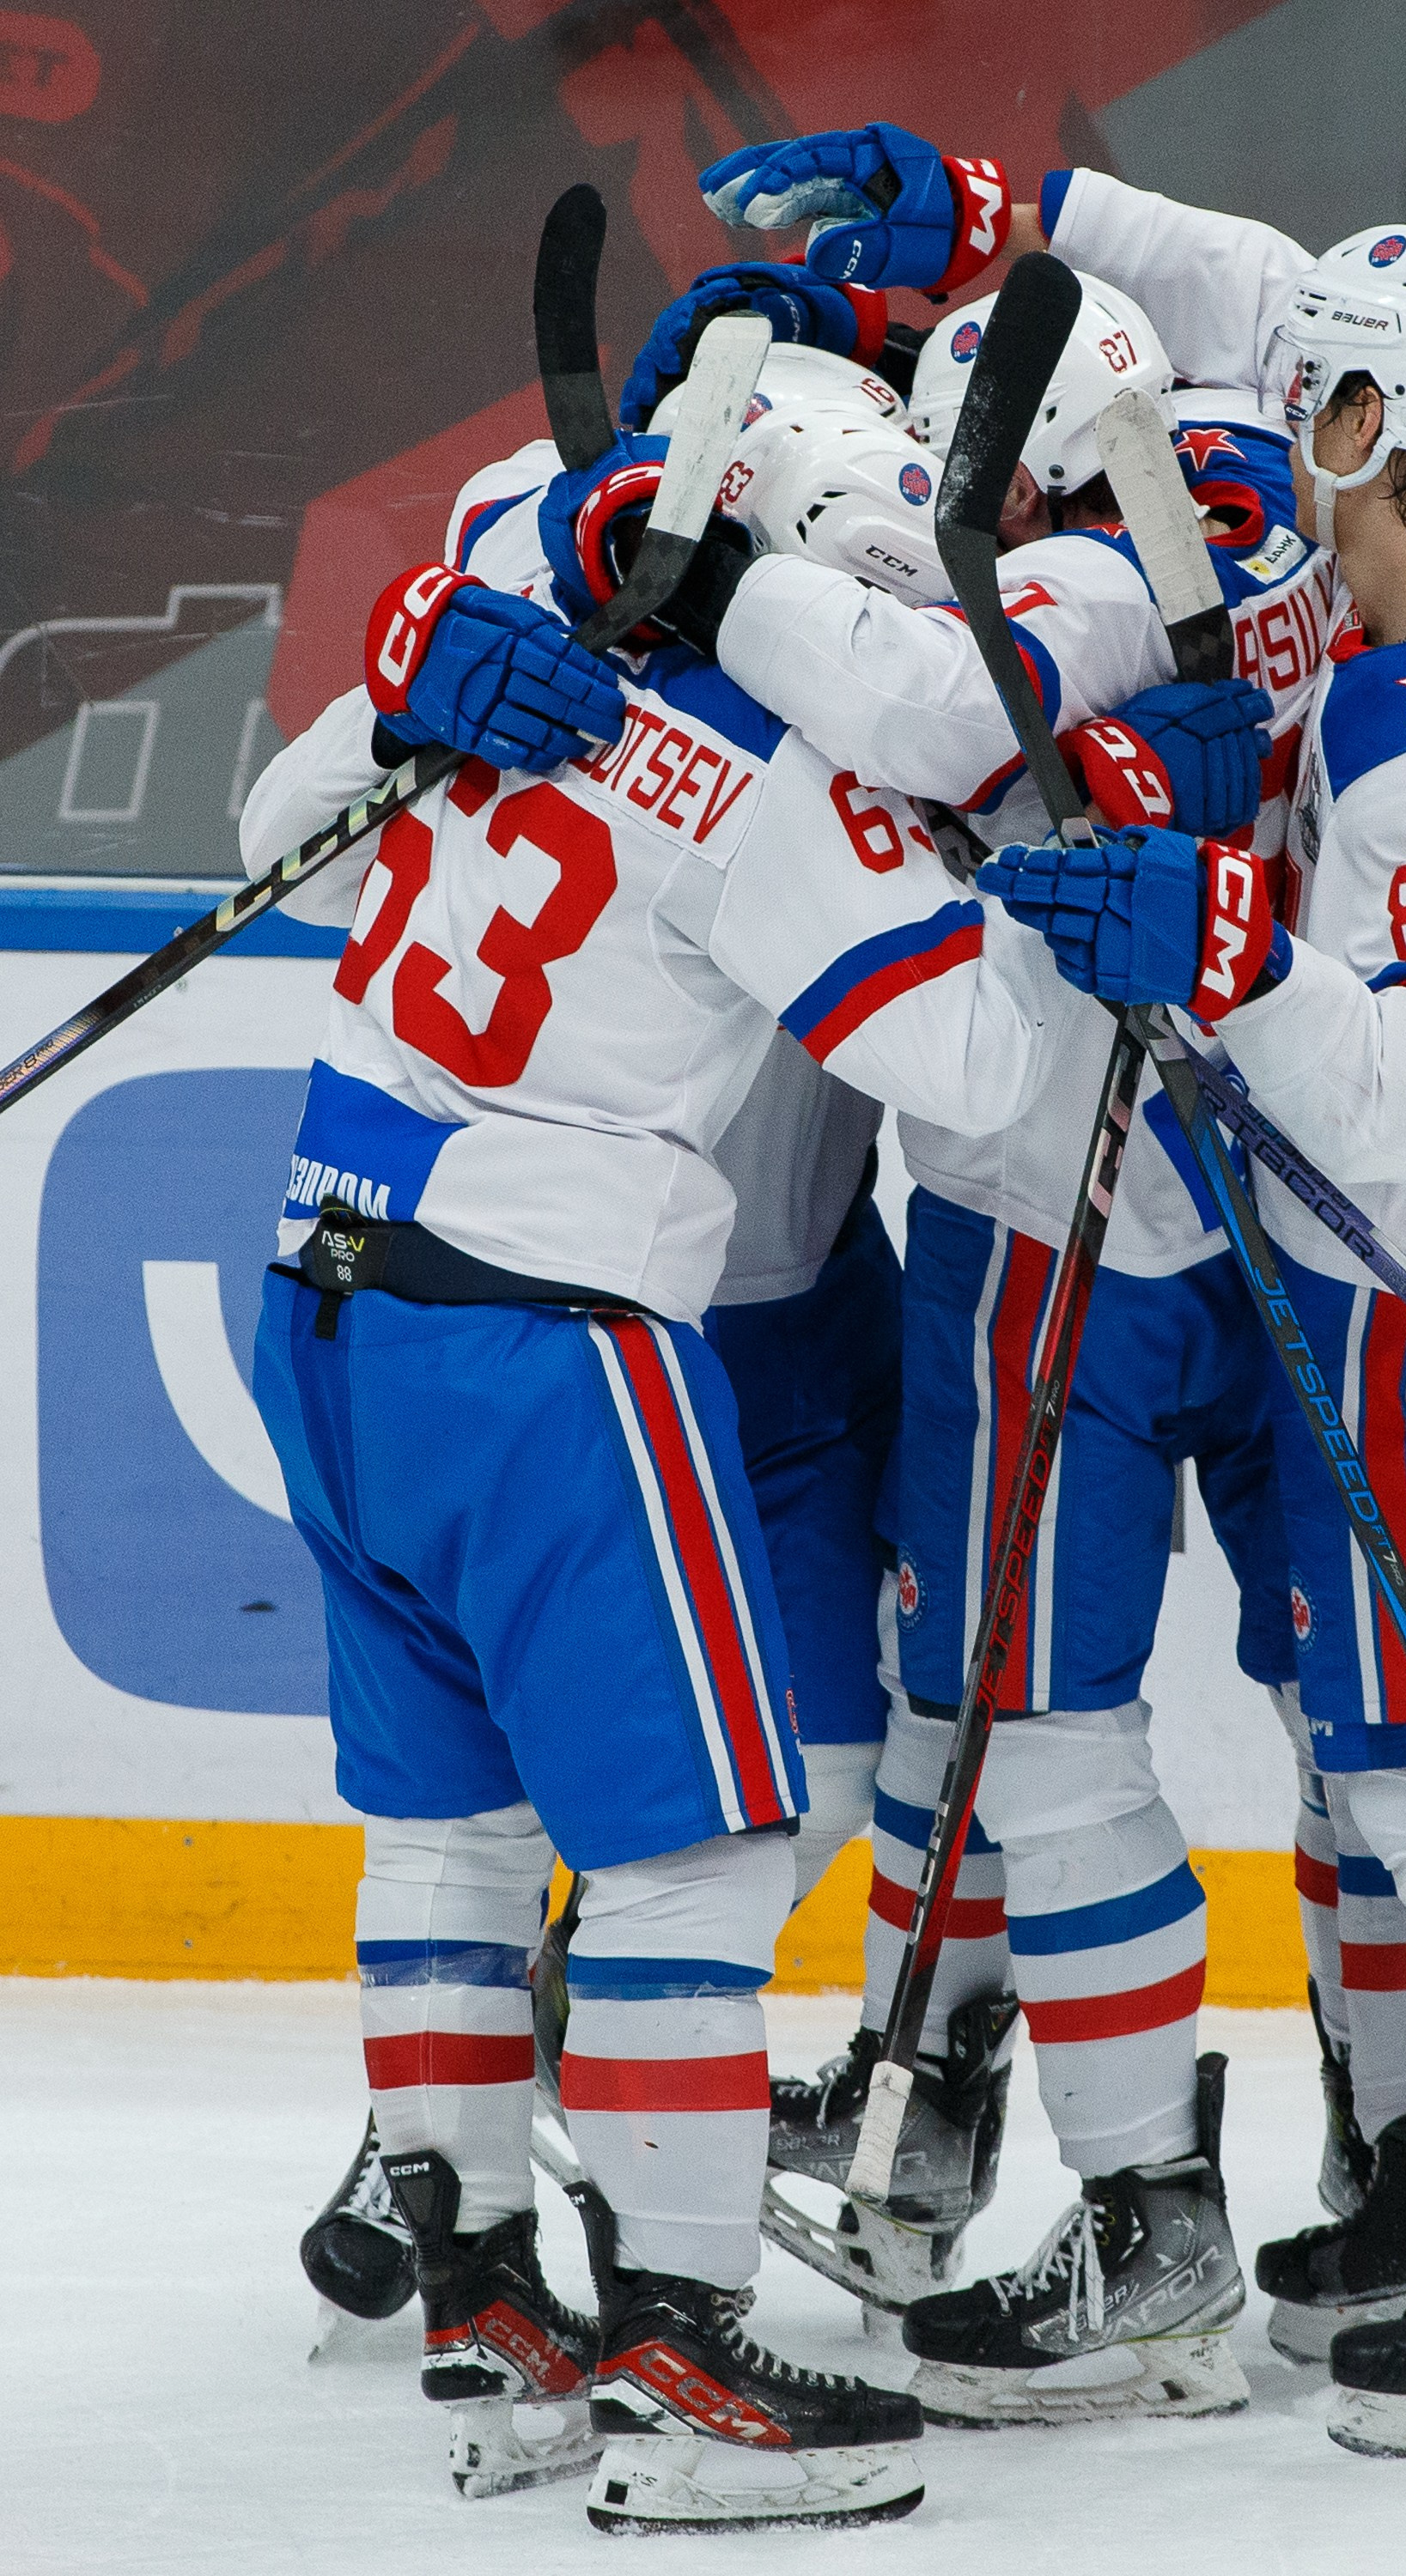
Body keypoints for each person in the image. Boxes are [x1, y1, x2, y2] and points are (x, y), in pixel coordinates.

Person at [739, 129, 1406, 2459]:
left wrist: (1229, 943)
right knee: (1377, 1753)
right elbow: (1260, 273)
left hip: (1395, 1269)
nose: (1281, 417)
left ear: (1393, 431)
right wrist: (1021, 193)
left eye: (1325, 402)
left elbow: (1401, 1084)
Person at [240, 374, 1075, 2528]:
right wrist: (1055, 863)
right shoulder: (771, 779)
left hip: (326, 1287)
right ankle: (688, 2358)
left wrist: (409, 639)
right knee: (697, 1859)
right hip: (549, 1335)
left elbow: (281, 835)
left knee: (456, 1837)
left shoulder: (510, 596)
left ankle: (485, 2308)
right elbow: (976, 1066)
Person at [615, 226, 1331, 2421]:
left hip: (1070, 1246)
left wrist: (679, 556)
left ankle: (1154, 2227)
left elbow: (930, 705)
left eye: (968, 498)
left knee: (1040, 1730)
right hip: (1222, 1217)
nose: (953, 541)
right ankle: (975, 2098)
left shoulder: (1091, 573)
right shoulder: (1230, 504)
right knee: (1030, 1708)